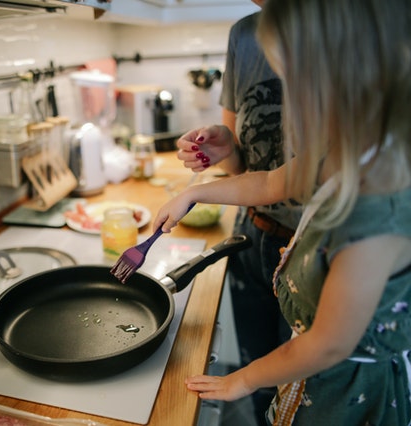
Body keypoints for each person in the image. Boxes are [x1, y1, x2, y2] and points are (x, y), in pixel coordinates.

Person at [155, 0, 411, 424]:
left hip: (346, 395)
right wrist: (194, 194)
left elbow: (329, 344)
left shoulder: (377, 212)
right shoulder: (346, 150)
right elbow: (270, 182)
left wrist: (245, 379)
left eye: (297, 82)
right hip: (310, 377)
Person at [178, 1, 295, 422]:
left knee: (302, 393)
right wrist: (223, 148)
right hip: (254, 236)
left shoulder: (362, 26)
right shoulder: (245, 35)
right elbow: (251, 171)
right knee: (260, 381)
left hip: (319, 252)